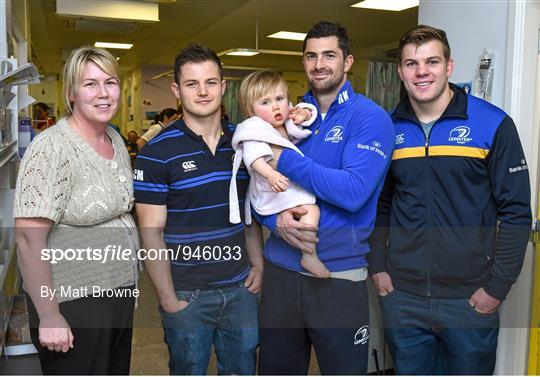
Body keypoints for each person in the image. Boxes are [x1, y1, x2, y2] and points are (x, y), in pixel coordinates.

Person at [367, 25, 532, 375]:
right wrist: (379, 267)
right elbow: (380, 203)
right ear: (400, 71)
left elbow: (516, 212)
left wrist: (497, 287)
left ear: (449, 66)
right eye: (411, 63)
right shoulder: (388, 128)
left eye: (431, 61)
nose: (421, 71)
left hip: (470, 299)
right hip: (404, 298)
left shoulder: (492, 124)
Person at [256, 21, 395, 374]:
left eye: (329, 55)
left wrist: (283, 159)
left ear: (347, 61)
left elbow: (352, 192)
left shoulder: (370, 118)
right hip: (281, 273)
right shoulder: (286, 117)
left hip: (338, 276)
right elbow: (254, 186)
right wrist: (275, 220)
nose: (319, 64)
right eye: (311, 56)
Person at [134, 44, 262, 375]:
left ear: (223, 86)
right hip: (187, 295)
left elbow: (249, 215)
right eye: (192, 84)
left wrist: (258, 266)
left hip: (240, 290)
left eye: (210, 82)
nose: (203, 91)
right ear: (177, 90)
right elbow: (151, 233)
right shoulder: (157, 152)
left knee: (243, 370)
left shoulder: (245, 145)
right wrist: (168, 300)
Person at [14, 46, 138, 374]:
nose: (103, 93)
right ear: (71, 93)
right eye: (90, 84)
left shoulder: (114, 137)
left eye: (110, 83)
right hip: (72, 301)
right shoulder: (52, 148)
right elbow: (28, 240)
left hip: (118, 291)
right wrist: (50, 314)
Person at [229, 69, 329, 278]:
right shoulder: (254, 129)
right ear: (250, 109)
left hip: (286, 184)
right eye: (265, 102)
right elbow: (254, 158)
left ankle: (307, 252)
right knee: (311, 210)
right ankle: (308, 253)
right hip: (271, 186)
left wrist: (303, 114)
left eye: (280, 98)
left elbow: (306, 113)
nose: (275, 106)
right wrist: (270, 174)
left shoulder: (282, 122)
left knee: (311, 210)